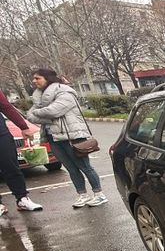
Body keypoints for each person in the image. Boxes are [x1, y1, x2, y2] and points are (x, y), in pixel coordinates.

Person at [26, 69, 107, 208]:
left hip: (72, 136)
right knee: (71, 168)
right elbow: (30, 115)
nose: (34, 81)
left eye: (37, 78)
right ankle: (82, 195)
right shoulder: (39, 96)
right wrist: (45, 115)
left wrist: (40, 114)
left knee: (85, 167)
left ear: (48, 78)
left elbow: (54, 111)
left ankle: (99, 194)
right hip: (53, 137)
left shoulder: (65, 92)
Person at [0, 89, 44, 215]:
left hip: (1, 134)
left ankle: (22, 199)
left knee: (11, 166)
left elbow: (6, 107)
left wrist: (23, 127)